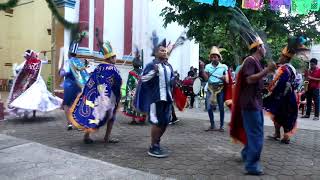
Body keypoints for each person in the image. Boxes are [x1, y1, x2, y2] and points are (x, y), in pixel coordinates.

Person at [228, 8, 276, 176]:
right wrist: (266, 71)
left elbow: (255, 82)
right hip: (250, 105)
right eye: (263, 46)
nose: (265, 49)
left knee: (254, 132)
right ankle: (251, 165)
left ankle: (247, 154)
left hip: (253, 103)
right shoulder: (250, 60)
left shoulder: (255, 62)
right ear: (258, 48)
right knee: (256, 134)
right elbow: (249, 79)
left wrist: (268, 75)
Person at [68, 41, 122, 144]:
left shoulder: (99, 67)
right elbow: (117, 83)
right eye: (114, 57)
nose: (115, 58)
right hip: (108, 97)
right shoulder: (113, 69)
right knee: (111, 116)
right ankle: (106, 137)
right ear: (110, 58)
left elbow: (91, 81)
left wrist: (89, 95)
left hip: (96, 96)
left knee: (93, 115)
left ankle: (86, 136)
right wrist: (118, 97)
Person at [264, 37, 308, 144]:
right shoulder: (290, 68)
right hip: (289, 95)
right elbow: (296, 82)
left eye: (281, 56)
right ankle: (278, 134)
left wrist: (272, 92)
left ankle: (286, 136)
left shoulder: (285, 69)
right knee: (277, 114)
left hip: (283, 97)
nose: (280, 57)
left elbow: (282, 83)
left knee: (283, 115)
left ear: (285, 58)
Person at [134, 39, 174, 158]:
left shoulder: (168, 65)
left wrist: (173, 80)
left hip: (167, 97)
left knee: (166, 121)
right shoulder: (151, 65)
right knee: (157, 122)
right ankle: (153, 146)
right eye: (162, 50)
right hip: (156, 98)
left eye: (165, 50)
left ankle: (157, 142)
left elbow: (171, 80)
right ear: (156, 53)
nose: (165, 52)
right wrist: (153, 72)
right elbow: (143, 79)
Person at [7, 50, 62, 118]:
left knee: (34, 97)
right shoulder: (37, 61)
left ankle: (31, 112)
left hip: (33, 82)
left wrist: (18, 73)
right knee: (34, 97)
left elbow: (18, 69)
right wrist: (45, 55)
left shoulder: (27, 63)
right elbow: (46, 61)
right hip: (33, 82)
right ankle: (31, 112)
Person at [60, 41, 89, 130]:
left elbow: (62, 73)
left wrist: (61, 71)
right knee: (77, 104)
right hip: (78, 86)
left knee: (66, 104)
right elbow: (85, 75)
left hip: (69, 85)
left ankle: (69, 123)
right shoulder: (79, 62)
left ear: (69, 52)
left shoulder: (67, 62)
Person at [203, 46, 228, 132]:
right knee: (209, 107)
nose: (214, 58)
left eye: (215, 57)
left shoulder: (224, 67)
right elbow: (206, 78)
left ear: (219, 57)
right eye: (212, 57)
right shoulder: (207, 66)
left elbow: (228, 78)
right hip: (210, 88)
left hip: (220, 88)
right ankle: (212, 125)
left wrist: (224, 78)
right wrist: (205, 73)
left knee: (221, 107)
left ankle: (221, 126)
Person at [123, 53, 146, 124]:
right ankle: (142, 118)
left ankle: (134, 120)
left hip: (133, 92)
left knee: (133, 105)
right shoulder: (143, 72)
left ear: (133, 64)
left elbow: (129, 84)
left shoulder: (131, 73)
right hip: (142, 91)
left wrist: (128, 93)